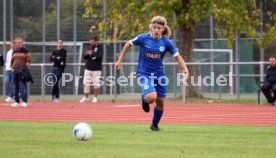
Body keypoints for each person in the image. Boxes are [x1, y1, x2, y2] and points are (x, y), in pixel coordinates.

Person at [115, 16, 189, 131]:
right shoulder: (143, 38)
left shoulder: (166, 42)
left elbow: (177, 56)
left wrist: (185, 68)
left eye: (158, 28)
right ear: (151, 28)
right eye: (154, 28)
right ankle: (144, 99)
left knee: (160, 102)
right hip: (144, 73)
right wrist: (120, 60)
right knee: (151, 97)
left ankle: (154, 125)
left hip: (159, 75)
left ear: (163, 29)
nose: (156, 30)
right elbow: (128, 44)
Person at [79, 36, 103, 103]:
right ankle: (86, 97)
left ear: (96, 41)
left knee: (96, 84)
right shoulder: (89, 47)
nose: (91, 42)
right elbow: (85, 57)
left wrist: (92, 53)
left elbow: (99, 57)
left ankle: (95, 98)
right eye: (90, 41)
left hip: (97, 69)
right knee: (85, 83)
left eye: (92, 41)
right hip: (88, 68)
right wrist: (86, 54)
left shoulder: (100, 48)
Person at [10, 36, 31, 108]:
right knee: (15, 86)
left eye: (20, 42)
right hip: (14, 70)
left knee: (23, 86)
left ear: (22, 43)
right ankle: (16, 101)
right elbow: (12, 61)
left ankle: (24, 101)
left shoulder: (26, 51)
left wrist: (25, 68)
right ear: (15, 43)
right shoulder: (14, 51)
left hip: (22, 71)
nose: (19, 44)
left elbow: (28, 61)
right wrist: (11, 67)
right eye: (17, 42)